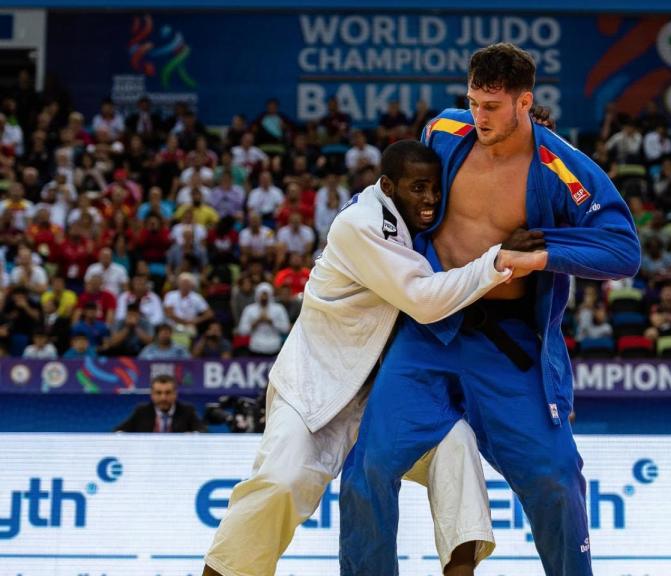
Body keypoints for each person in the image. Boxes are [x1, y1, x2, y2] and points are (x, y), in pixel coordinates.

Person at [339, 43, 641, 576]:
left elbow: (622, 249)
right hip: (429, 330)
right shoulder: (444, 132)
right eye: (474, 101)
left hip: (506, 345)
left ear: (525, 103)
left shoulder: (561, 167)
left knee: (555, 475)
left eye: (493, 106)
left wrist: (541, 253)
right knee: (368, 465)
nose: (479, 115)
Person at [203, 140, 548, 576]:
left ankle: (461, 571)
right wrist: (498, 259)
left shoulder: (418, 223)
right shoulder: (361, 224)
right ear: (388, 186)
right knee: (278, 485)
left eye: (434, 189)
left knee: (454, 445)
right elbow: (423, 299)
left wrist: (526, 138)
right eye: (417, 188)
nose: (430, 199)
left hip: (383, 395)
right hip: (316, 388)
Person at [114, 374, 206, 433]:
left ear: (175, 394)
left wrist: (192, 435)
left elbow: (202, 431)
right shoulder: (142, 411)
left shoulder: (187, 411)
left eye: (168, 392)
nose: (163, 398)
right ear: (152, 395)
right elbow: (118, 431)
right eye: (159, 393)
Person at [236, 282, 291, 356]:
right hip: (255, 347)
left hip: (275, 347)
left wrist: (271, 322)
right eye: (262, 294)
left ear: (270, 294)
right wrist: (256, 322)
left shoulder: (279, 308)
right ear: (257, 294)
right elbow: (242, 330)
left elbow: (286, 329)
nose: (264, 297)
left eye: (266, 294)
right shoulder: (249, 309)